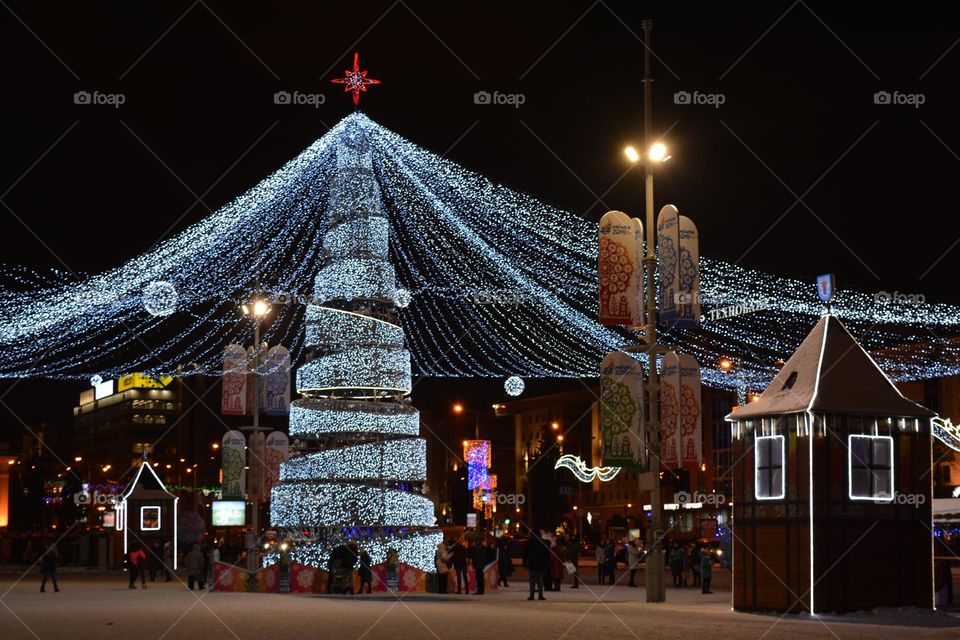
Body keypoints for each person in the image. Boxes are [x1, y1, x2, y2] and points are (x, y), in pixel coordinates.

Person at [522, 530, 549, 601]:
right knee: (540, 580)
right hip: (540, 563)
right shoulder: (542, 542)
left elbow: (525, 553)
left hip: (532, 563)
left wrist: (524, 562)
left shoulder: (529, 542)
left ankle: (532, 595)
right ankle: (540, 595)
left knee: (532, 580)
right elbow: (546, 553)